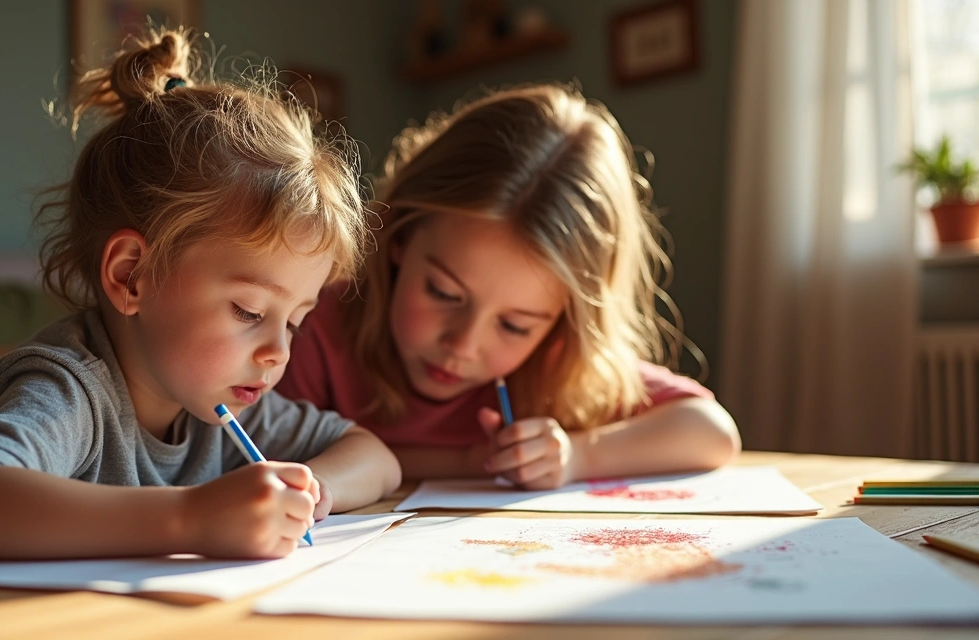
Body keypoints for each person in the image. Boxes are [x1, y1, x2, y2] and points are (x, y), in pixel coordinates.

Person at [0, 26, 401, 559]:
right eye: (249, 310)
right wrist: (191, 517)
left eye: (294, 321)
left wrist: (311, 490)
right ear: (131, 276)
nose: (279, 351)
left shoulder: (215, 400)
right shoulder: (69, 388)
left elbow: (375, 457)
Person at [278, 84, 740, 490]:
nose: (463, 344)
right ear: (398, 237)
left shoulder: (558, 364)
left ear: (565, 319)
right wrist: (467, 462)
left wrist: (580, 456)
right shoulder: (314, 328)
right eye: (443, 293)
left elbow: (711, 432)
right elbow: (270, 460)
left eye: (516, 326)